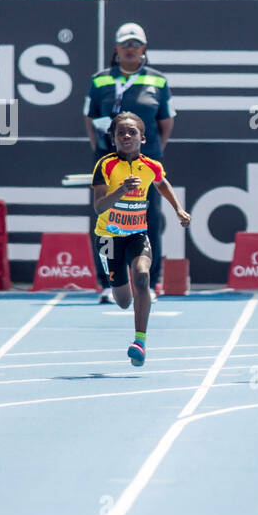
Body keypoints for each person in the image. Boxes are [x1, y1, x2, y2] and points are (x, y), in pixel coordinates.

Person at [83, 22, 176, 303]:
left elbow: (166, 123)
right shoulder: (100, 80)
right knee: (106, 216)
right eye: (125, 44)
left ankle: (150, 282)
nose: (131, 49)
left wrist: (147, 155)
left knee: (148, 219)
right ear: (116, 48)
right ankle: (109, 283)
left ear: (144, 48)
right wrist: (102, 152)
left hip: (146, 161)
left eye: (136, 44)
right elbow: (90, 118)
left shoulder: (158, 80)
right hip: (109, 161)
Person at [92, 112, 191, 367]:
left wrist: (178, 208)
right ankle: (117, 285)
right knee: (124, 301)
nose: (126, 136)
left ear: (143, 138)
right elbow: (100, 207)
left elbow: (162, 183)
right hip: (109, 238)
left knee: (143, 276)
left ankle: (139, 340)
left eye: (132, 132)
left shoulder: (151, 166)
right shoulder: (105, 165)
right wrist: (122, 190)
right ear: (113, 139)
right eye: (121, 133)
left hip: (137, 234)